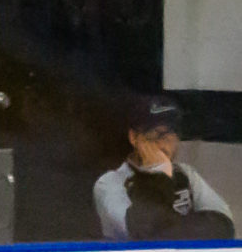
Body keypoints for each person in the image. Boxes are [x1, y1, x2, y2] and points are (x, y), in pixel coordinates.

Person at [94, 96, 234, 242]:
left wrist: (167, 227)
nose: (164, 145)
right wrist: (158, 174)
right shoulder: (110, 183)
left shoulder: (185, 173)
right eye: (157, 134)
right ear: (134, 137)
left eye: (171, 135)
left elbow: (223, 227)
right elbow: (142, 232)